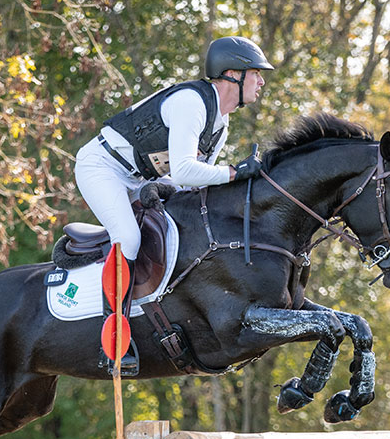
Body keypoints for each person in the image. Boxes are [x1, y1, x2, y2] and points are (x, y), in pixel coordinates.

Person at [74, 36, 274, 267]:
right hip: (102, 167)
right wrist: (233, 172)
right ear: (232, 74)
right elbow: (182, 171)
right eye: (255, 73)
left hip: (140, 178)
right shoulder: (191, 103)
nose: (261, 82)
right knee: (128, 239)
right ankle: (113, 304)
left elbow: (195, 185)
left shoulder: (221, 125)